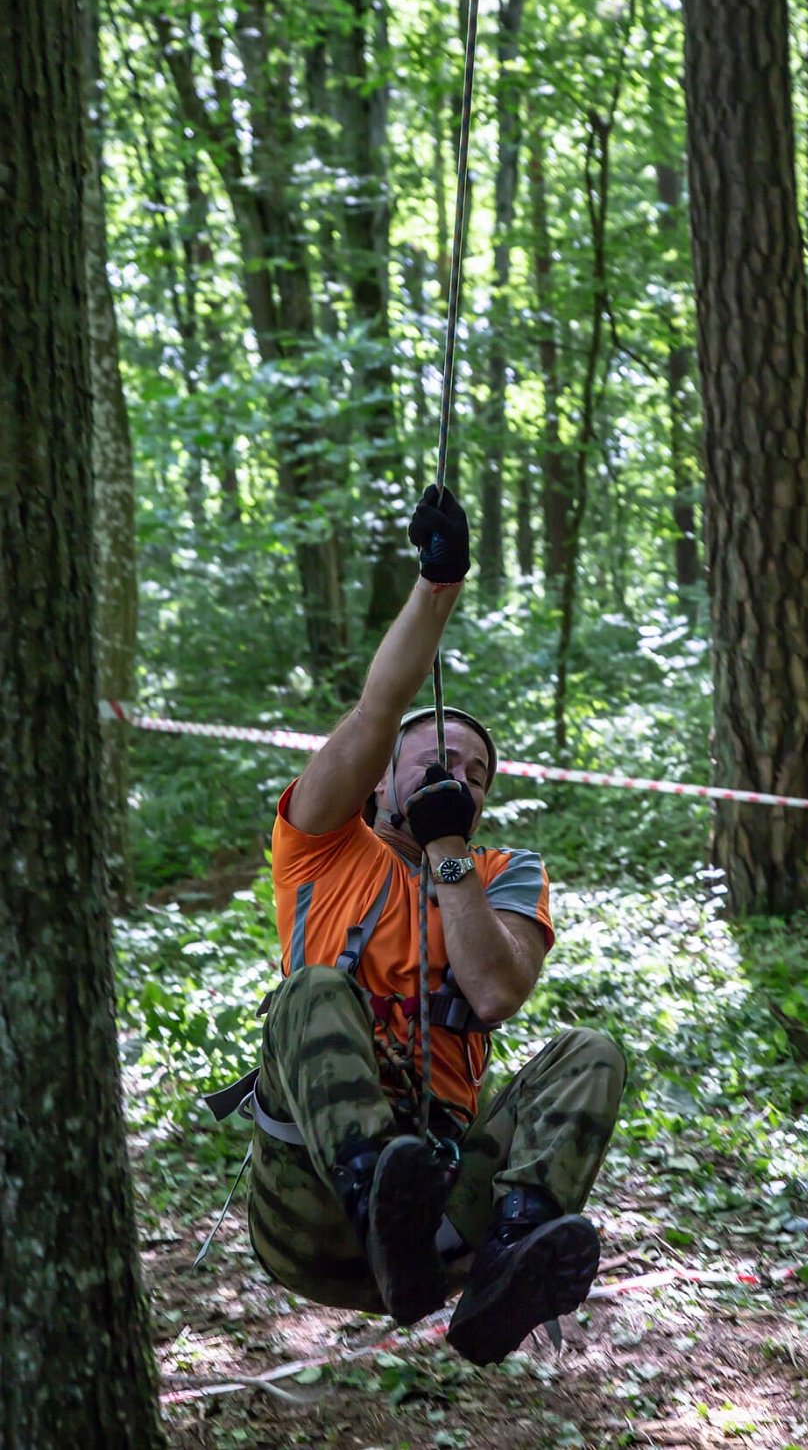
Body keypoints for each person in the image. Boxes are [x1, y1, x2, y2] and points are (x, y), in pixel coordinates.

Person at [247, 485, 626, 1365]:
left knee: (592, 1052)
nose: (457, 768)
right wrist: (438, 585)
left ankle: (504, 1264)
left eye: (475, 771)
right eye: (434, 756)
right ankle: (376, 1187)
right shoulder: (323, 845)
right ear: (383, 782)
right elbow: (381, 707)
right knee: (309, 991)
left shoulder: (499, 873)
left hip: (445, 1204)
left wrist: (447, 849)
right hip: (310, 1195)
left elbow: (494, 990)